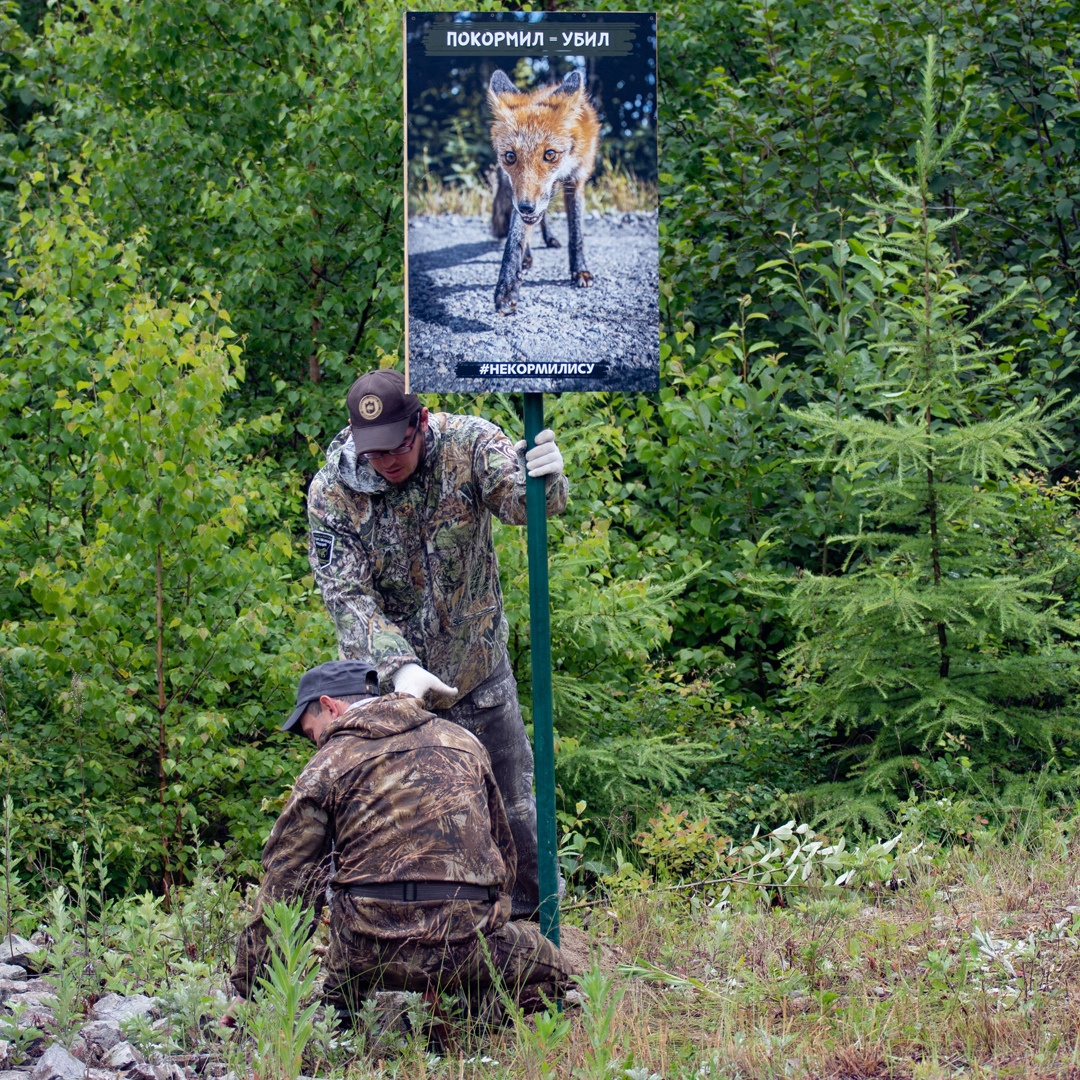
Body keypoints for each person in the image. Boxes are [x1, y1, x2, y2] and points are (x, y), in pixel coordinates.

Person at [306, 368, 568, 918]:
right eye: (373, 452)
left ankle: (537, 945)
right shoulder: (332, 493)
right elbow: (346, 594)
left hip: (479, 672)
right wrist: (398, 667)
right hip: (397, 698)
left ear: (420, 422)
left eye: (397, 446)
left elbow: (525, 506)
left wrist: (547, 480)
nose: (386, 462)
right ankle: (416, 954)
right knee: (409, 831)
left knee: (516, 817)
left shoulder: (470, 443)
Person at [230, 659, 570, 1022]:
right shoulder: (462, 742)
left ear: (330, 706)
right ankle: (470, 1016)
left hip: (366, 952)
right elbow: (504, 851)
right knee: (559, 972)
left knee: (337, 1007)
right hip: (467, 945)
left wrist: (248, 988)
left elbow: (288, 880)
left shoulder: (326, 765)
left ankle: (345, 1016)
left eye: (311, 731)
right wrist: (488, 918)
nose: (316, 742)